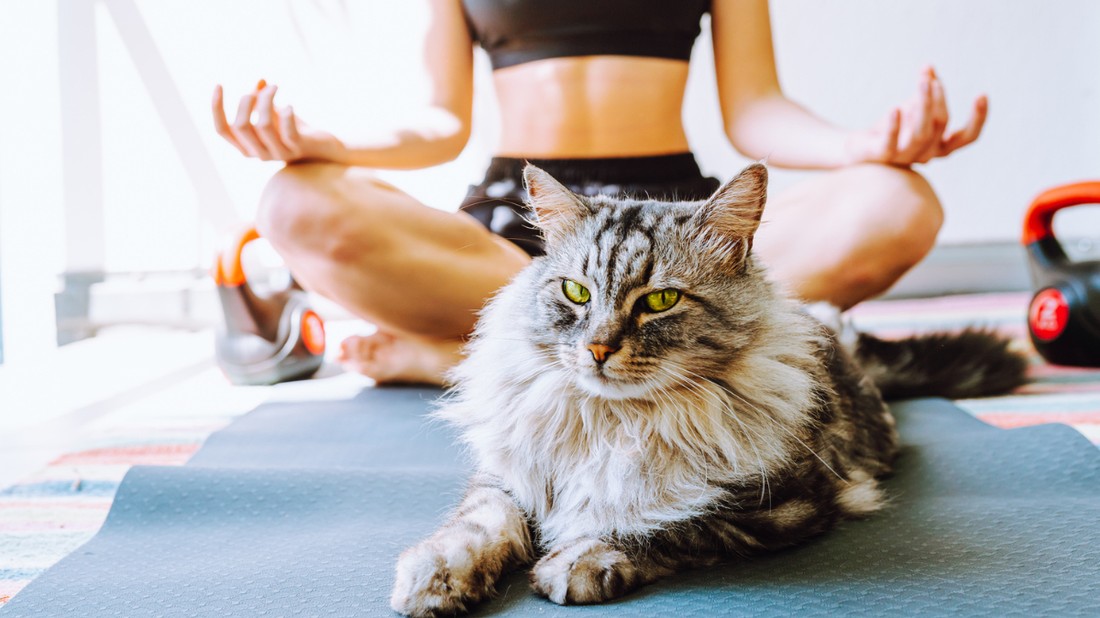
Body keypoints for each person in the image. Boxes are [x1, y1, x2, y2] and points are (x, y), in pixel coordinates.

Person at [211, 0, 987, 385]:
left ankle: (476, 360)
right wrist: (331, 147)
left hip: (673, 238)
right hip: (523, 239)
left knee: (898, 202)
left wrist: (863, 149)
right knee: (294, 203)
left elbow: (756, 108)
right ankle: (532, 346)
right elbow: (440, 119)